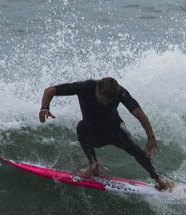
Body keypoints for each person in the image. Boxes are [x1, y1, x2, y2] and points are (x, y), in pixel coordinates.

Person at [38, 77, 173, 191]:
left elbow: (138, 112)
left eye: (109, 101)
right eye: (104, 99)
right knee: (81, 127)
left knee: (135, 149)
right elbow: (50, 90)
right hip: (93, 132)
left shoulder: (120, 92)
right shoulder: (85, 87)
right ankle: (93, 165)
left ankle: (159, 179)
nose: (106, 103)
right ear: (97, 90)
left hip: (114, 131)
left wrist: (151, 136)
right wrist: (45, 107)